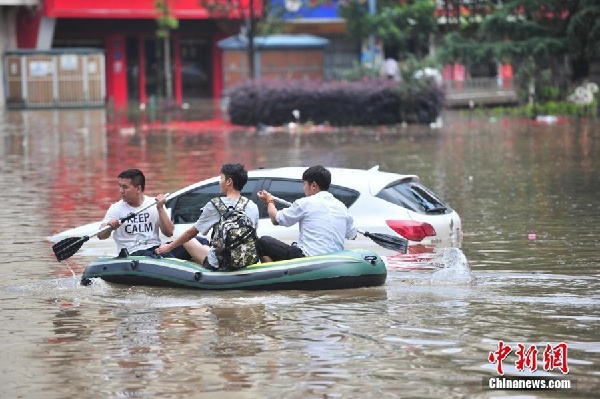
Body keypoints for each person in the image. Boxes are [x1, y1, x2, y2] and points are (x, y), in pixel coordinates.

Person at [155, 163, 259, 269]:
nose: (220, 182)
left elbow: (191, 232)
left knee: (188, 241)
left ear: (229, 182)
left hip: (220, 264)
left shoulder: (215, 205)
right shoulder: (253, 206)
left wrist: (168, 247)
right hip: (246, 261)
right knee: (205, 246)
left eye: (221, 178)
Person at [256, 165, 357, 262]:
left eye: (304, 184)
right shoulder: (342, 207)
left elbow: (276, 219)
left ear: (313, 185)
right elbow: (353, 235)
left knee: (262, 242)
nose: (303, 188)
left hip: (308, 259)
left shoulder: (305, 203)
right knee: (294, 245)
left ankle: (275, 278)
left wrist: (269, 201)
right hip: (335, 259)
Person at [99, 168, 195, 257]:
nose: (121, 191)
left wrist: (160, 209)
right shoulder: (116, 208)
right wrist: (109, 227)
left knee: (198, 241)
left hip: (155, 249)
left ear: (138, 189)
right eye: (120, 186)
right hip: (132, 252)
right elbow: (100, 235)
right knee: (155, 255)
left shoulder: (154, 204)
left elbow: (169, 233)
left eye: (125, 187)